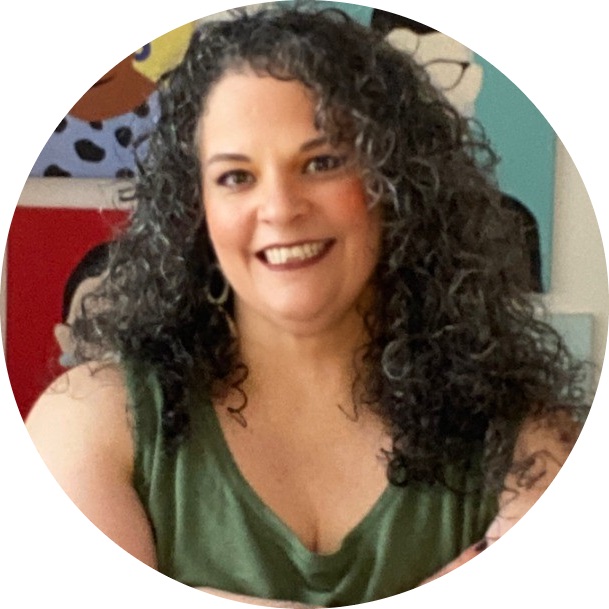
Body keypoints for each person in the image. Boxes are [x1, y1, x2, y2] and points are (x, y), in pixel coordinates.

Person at [26, 4, 589, 607]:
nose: (280, 207)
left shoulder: (531, 449)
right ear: (195, 211)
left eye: (321, 163)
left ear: (395, 184)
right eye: (236, 177)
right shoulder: (89, 424)